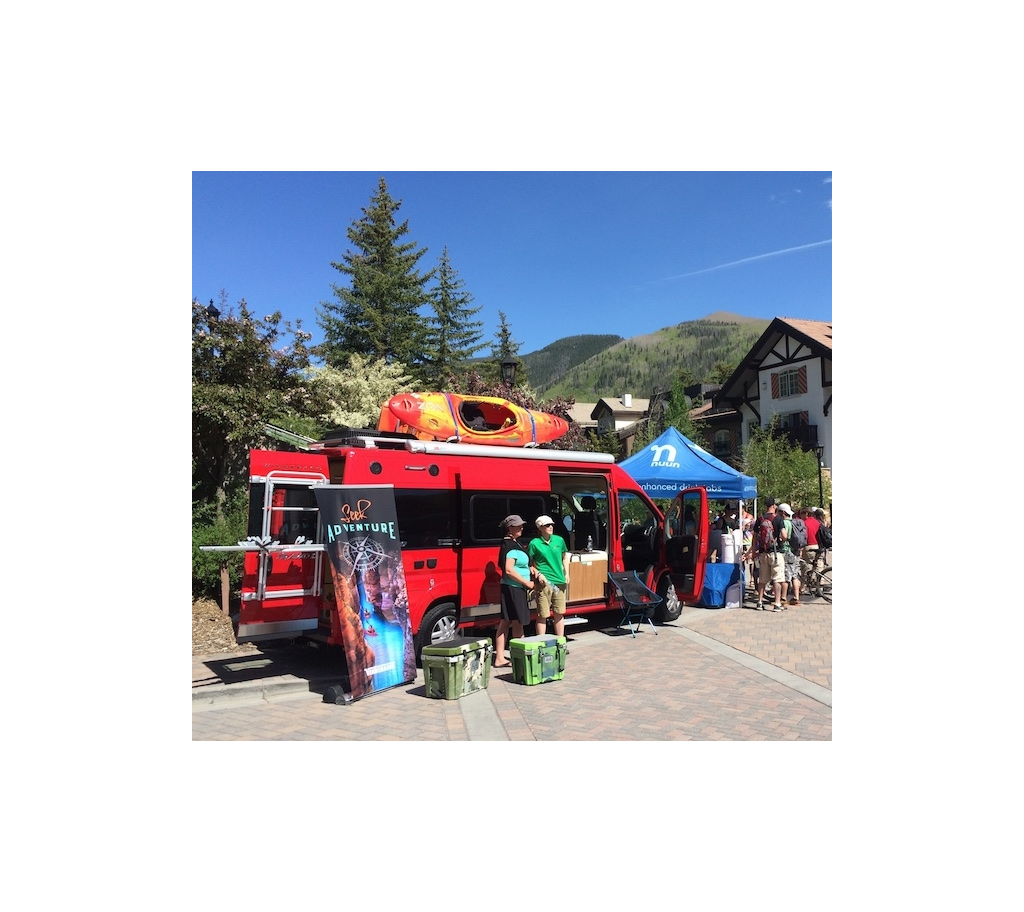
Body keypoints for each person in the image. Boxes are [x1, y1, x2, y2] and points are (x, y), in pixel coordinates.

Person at [494, 514, 535, 667]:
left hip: (516, 588)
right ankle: (506, 658)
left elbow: (520, 564)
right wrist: (527, 583)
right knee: (511, 621)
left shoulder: (515, 543)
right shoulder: (508, 545)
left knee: (515, 622)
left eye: (522, 525)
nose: (521, 528)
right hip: (513, 588)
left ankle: (515, 656)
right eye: (518, 526)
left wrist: (531, 569)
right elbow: (509, 570)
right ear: (509, 528)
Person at [528, 514, 570, 637]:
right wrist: (538, 574)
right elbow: (529, 564)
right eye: (547, 525)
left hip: (559, 581)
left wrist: (567, 574)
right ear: (540, 528)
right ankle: (541, 642)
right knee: (543, 614)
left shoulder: (559, 540)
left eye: (551, 524)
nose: (550, 527)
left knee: (559, 613)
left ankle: (560, 641)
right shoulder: (534, 543)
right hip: (544, 583)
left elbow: (564, 557)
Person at [754, 497, 785, 610]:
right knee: (777, 578)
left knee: (762, 579)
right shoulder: (778, 519)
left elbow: (754, 536)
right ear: (773, 506)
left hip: (763, 553)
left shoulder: (760, 518)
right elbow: (784, 535)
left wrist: (753, 551)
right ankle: (777, 603)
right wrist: (782, 540)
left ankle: (759, 602)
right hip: (775, 553)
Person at [782, 503, 804, 605]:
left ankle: (783, 598)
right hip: (796, 551)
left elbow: (784, 536)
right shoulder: (795, 522)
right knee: (795, 575)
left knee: (786, 575)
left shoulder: (785, 523)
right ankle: (796, 597)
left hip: (787, 550)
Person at [800, 506, 821, 596]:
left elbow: (804, 537)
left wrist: (800, 549)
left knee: (806, 567)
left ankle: (802, 587)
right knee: (817, 567)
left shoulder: (804, 523)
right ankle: (819, 586)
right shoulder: (817, 522)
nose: (801, 516)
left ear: (806, 514)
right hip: (817, 546)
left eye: (802, 514)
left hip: (808, 546)